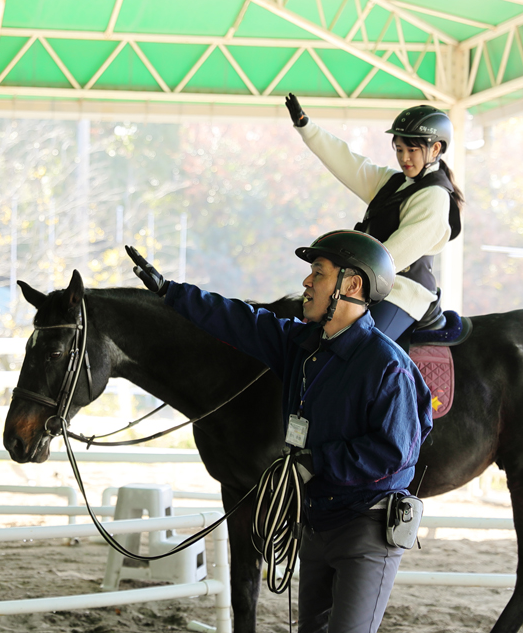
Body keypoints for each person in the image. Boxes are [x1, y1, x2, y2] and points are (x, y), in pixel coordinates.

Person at [127, 230, 432, 633]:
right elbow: (237, 320)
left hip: (366, 531)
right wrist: (171, 292)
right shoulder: (301, 345)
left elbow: (395, 453)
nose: (307, 283)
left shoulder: (387, 365)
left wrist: (314, 462)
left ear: (352, 284)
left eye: (318, 274)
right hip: (318, 522)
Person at [285, 95, 466, 340]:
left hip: (402, 293)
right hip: (369, 284)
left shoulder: (434, 196)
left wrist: (342, 278)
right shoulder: (393, 182)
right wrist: (307, 128)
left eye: (412, 150)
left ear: (436, 149)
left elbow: (388, 259)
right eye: (400, 149)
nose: (404, 158)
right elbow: (348, 162)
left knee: (357, 346)